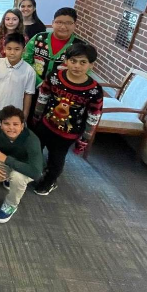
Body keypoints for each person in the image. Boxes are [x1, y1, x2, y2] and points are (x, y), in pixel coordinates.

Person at [33, 43, 103, 195]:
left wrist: (85, 139)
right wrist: (37, 116)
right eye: (73, 61)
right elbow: (43, 95)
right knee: (35, 150)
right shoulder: (54, 76)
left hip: (68, 133)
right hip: (46, 124)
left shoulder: (94, 90)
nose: (77, 66)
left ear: (91, 64)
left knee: (56, 160)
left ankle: (49, 181)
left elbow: (94, 115)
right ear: (66, 60)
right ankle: (33, 172)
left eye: (83, 62)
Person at [0, 106, 43, 223]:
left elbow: (36, 173)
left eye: (15, 124)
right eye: (6, 124)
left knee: (17, 178)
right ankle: (8, 178)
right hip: (7, 162)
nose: (11, 128)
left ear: (22, 125)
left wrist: (7, 159)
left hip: (27, 167)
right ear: (1, 124)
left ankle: (11, 204)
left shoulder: (32, 140)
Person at [0, 33, 36, 138]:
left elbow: (28, 95)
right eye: (9, 48)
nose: (12, 53)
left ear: (23, 50)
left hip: (14, 116)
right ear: (4, 49)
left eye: (17, 49)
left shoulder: (29, 71)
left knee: (8, 143)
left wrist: (24, 115)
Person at [23, 7, 85, 89]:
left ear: (75, 25)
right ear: (53, 23)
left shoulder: (81, 46)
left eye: (68, 23)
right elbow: (25, 60)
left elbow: (83, 71)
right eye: (59, 22)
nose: (63, 27)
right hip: (32, 85)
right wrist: (40, 83)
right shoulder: (39, 38)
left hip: (62, 91)